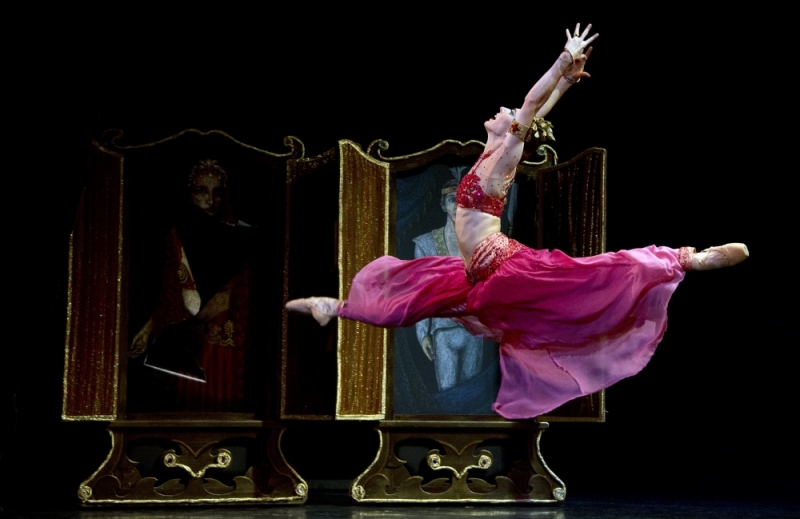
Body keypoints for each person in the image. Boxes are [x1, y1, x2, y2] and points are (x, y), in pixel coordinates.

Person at [286, 24, 749, 419]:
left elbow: (529, 105)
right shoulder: (493, 149)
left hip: (502, 266)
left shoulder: (507, 153)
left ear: (510, 127)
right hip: (474, 270)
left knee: (592, 273)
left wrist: (561, 58)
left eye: (507, 114)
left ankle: (685, 260)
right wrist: (565, 84)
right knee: (411, 295)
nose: (501, 111)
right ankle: (335, 307)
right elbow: (535, 111)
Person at [129, 159, 254, 412]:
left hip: (218, 333)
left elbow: (235, 294)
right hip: (185, 329)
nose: (210, 200)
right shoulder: (175, 237)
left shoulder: (236, 236)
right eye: (202, 191)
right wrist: (148, 328)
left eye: (217, 192)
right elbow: (171, 293)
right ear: (191, 195)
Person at [413, 179, 486, 392]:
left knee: (470, 394)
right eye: (453, 200)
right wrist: (422, 333)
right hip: (443, 331)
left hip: (474, 331)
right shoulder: (426, 244)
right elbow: (421, 292)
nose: (458, 207)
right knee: (447, 392)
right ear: (443, 204)